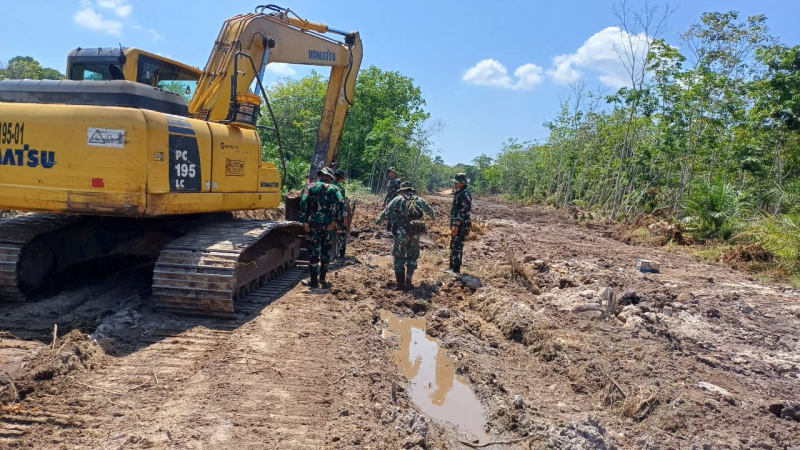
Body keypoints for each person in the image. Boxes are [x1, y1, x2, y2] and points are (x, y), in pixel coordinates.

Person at [376, 181, 435, 290]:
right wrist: (433, 217)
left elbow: (386, 211)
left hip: (402, 233)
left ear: (402, 190)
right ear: (411, 190)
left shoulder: (398, 199)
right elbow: (430, 211)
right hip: (416, 233)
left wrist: (378, 220)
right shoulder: (419, 200)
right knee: (412, 257)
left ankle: (400, 284)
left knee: (399, 258)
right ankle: (409, 278)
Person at [298, 167, 346, 288]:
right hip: (329, 226)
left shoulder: (310, 187)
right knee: (325, 252)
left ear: (320, 176)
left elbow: (303, 203)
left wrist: (304, 222)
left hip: (313, 225)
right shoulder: (335, 189)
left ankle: (313, 281)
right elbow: (341, 203)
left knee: (314, 252)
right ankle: (323, 279)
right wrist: (336, 220)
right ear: (330, 177)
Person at [448, 173, 472, 274]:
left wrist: (456, 225)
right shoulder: (460, 192)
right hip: (456, 224)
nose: (455, 184)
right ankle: (451, 267)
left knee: (457, 246)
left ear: (462, 183)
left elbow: (464, 210)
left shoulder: (465, 193)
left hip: (461, 225)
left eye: (457, 182)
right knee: (453, 245)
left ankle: (456, 269)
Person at [333, 169, 350, 259]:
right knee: (342, 233)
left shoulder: (326, 186)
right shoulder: (340, 189)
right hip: (338, 215)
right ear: (340, 178)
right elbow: (342, 205)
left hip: (327, 216)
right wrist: (345, 218)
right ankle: (342, 255)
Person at [383, 167, 402, 232]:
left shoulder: (398, 181)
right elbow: (388, 192)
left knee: (395, 215)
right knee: (388, 214)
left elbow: (400, 192)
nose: (389, 173)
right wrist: (384, 201)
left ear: (394, 173)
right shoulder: (389, 181)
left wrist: (399, 202)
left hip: (395, 201)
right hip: (389, 201)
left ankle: (394, 230)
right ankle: (388, 229)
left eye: (391, 172)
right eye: (389, 172)